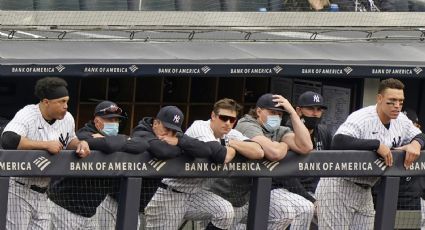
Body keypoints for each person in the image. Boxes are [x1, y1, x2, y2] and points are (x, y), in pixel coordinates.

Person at [316, 78, 425, 229]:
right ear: (379, 99)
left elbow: (419, 136)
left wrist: (415, 144)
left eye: (400, 101)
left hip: (366, 189)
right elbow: (338, 141)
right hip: (338, 186)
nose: (397, 106)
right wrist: (376, 144)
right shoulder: (363, 117)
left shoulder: (401, 120)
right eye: (392, 101)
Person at [145, 99, 264, 230]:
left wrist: (232, 143)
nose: (228, 123)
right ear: (213, 116)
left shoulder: (229, 134)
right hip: (171, 193)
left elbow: (258, 152)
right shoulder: (200, 127)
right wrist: (232, 147)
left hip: (196, 194)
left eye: (232, 120)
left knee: (225, 211)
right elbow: (222, 156)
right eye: (223, 118)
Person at [0, 76, 91, 230]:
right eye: (61, 101)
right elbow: (8, 139)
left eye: (67, 101)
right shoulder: (28, 114)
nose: (66, 106)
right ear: (46, 102)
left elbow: (70, 139)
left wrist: (80, 143)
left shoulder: (67, 118)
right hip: (18, 188)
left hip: (43, 191)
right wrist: (45, 145)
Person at [47, 100, 148, 229]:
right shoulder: (83, 134)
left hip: (90, 213)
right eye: (109, 120)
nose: (114, 124)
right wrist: (123, 140)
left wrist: (117, 140)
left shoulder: (110, 137)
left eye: (116, 120)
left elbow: (143, 144)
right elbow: (108, 145)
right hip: (65, 208)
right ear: (97, 121)